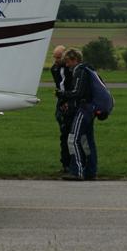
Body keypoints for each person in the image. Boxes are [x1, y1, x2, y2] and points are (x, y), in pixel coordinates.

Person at [56, 48, 98, 181]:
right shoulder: (88, 70)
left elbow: (77, 92)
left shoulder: (79, 71)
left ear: (75, 60)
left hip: (83, 110)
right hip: (90, 109)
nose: (66, 65)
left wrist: (62, 94)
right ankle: (90, 171)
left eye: (68, 62)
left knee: (72, 139)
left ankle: (77, 171)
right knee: (86, 142)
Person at [50, 45, 73, 173]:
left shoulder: (71, 69)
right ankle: (65, 163)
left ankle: (71, 163)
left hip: (70, 102)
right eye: (55, 57)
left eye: (59, 57)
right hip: (61, 102)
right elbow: (59, 86)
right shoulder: (54, 69)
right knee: (64, 134)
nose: (56, 60)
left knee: (69, 135)